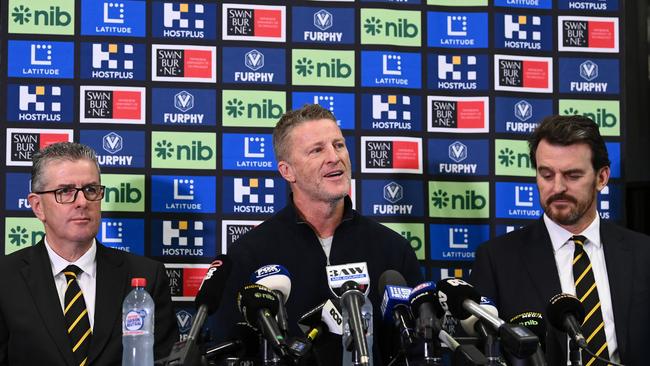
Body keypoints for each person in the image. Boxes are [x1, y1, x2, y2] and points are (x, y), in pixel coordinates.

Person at [213, 104, 422, 365]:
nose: (335, 157)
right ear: (287, 171)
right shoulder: (250, 254)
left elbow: (415, 351)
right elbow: (230, 351)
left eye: (339, 145)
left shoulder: (393, 249)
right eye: (317, 150)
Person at [470, 115, 650, 365]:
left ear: (602, 178)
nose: (557, 187)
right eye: (546, 174)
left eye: (572, 175)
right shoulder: (497, 260)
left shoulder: (643, 254)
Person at [0, 142, 178, 366]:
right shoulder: (6, 278)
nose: (82, 202)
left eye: (91, 190)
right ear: (38, 207)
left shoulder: (147, 275)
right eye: (65, 191)